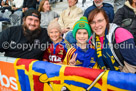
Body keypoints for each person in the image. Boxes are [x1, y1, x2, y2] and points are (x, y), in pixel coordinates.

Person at [88, 8, 136, 73]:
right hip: (105, 75)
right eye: (93, 22)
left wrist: (115, 79)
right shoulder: (93, 39)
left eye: (100, 21)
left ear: (106, 20)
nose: (96, 25)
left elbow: (132, 65)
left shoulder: (121, 34)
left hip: (124, 75)